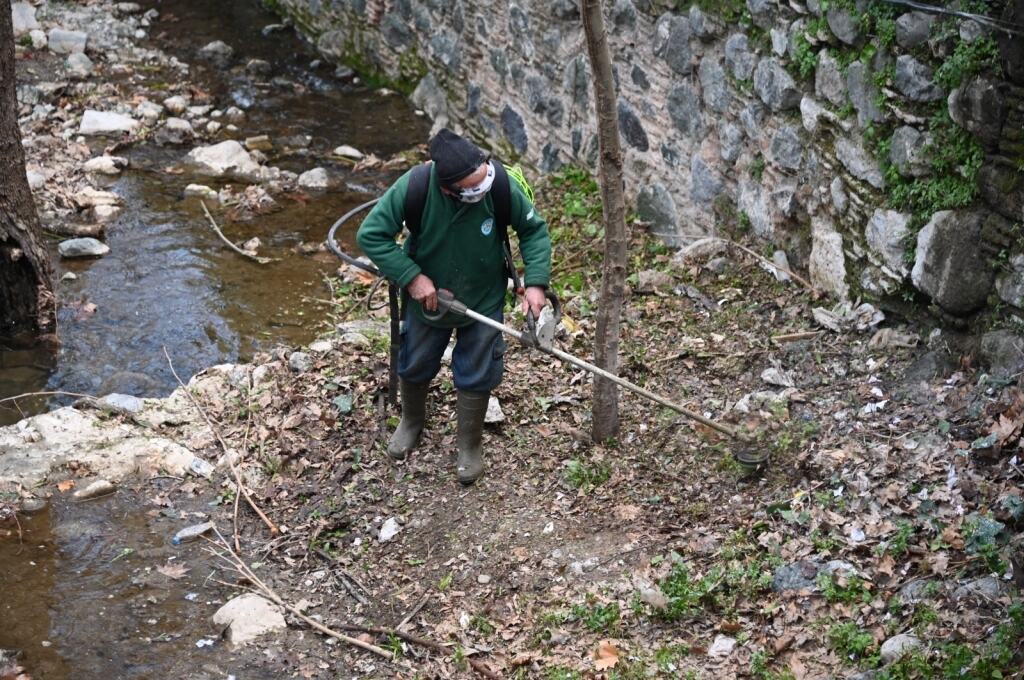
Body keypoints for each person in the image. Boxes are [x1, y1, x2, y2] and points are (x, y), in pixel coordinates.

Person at [356, 128, 552, 485]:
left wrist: (536, 283)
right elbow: (371, 235)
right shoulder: (414, 187)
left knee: (478, 367)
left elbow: (533, 232)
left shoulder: (502, 185)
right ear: (448, 188)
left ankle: (469, 445)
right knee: (415, 361)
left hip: (484, 296)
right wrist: (413, 278)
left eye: (484, 181)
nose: (482, 190)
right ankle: (411, 421)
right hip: (429, 300)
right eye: (471, 188)